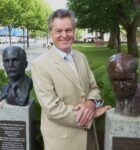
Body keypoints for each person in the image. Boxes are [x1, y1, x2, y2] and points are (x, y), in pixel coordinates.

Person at [31, 9, 111, 150]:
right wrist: (89, 115)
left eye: (68, 30)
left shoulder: (81, 57)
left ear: (74, 31)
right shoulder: (40, 65)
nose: (64, 35)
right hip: (62, 143)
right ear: (51, 33)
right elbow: (52, 108)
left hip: (89, 140)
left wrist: (92, 104)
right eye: (58, 31)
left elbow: (94, 88)